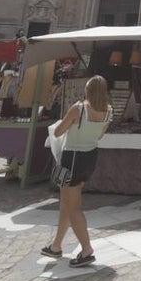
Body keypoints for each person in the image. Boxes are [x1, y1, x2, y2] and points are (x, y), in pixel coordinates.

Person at [41, 75, 112, 268]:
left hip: (71, 157)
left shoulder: (79, 109)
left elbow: (58, 132)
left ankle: (86, 249)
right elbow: (100, 135)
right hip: (89, 157)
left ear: (87, 90)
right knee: (67, 201)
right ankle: (56, 245)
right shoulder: (108, 111)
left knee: (73, 208)